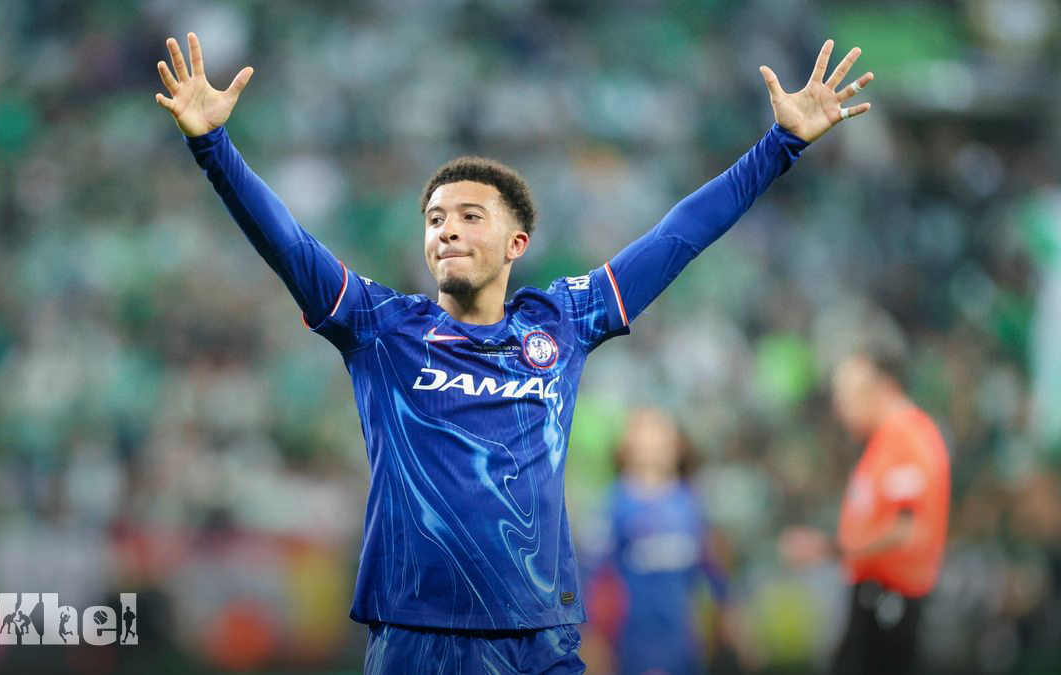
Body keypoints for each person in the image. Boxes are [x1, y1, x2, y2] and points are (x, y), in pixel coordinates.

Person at [155, 31, 873, 673]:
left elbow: (677, 236)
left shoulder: (563, 320)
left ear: (515, 243)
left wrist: (781, 145)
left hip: (539, 636)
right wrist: (212, 147)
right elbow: (287, 244)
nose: (447, 230)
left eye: (471, 216)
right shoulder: (381, 327)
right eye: (435, 219)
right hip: (417, 632)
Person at [781, 350, 951, 675]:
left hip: (892, 601)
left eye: (848, 396)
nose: (839, 408)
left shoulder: (906, 437)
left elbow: (906, 528)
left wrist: (828, 548)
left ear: (883, 388)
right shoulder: (884, 440)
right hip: (875, 598)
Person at [584, 408, 758, 675]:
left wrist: (735, 622)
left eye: (662, 434)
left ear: (678, 446)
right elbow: (588, 577)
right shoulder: (614, 506)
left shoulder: (692, 505)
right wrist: (590, 641)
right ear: (626, 447)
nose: (654, 443)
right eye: (644, 433)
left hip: (684, 643)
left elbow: (717, 573)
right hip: (633, 644)